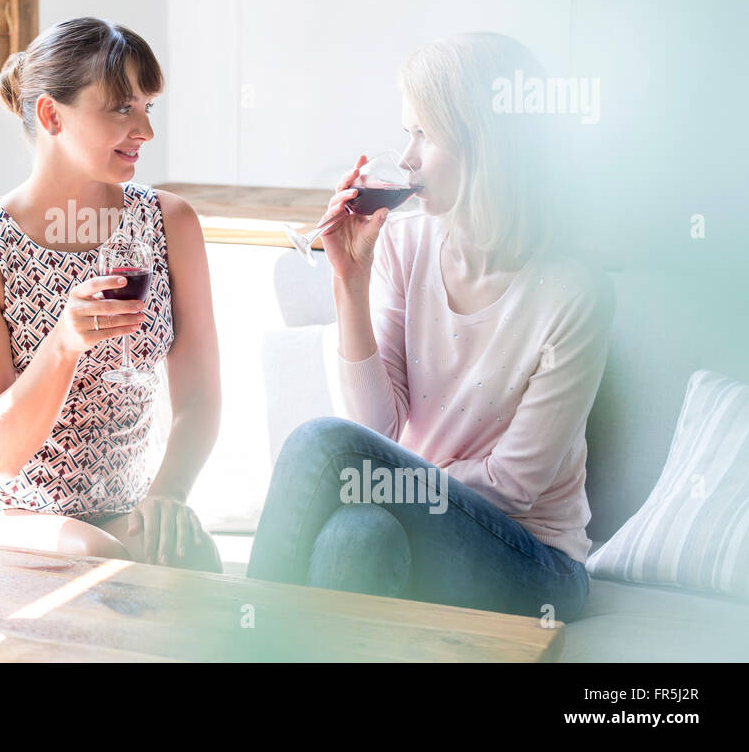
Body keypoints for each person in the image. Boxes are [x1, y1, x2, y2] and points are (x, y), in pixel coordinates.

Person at [247, 32, 615, 622]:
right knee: (358, 538)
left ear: (485, 146)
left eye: (425, 134)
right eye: (406, 134)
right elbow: (380, 427)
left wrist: (385, 476)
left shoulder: (574, 295)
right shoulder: (405, 243)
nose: (408, 158)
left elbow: (511, 486)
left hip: (532, 560)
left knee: (320, 442)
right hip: (412, 517)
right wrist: (349, 279)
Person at [0, 16, 223, 571]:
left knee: (189, 553)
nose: (144, 130)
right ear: (52, 114)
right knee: (94, 556)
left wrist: (167, 494)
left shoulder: (170, 222)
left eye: (148, 107)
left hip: (116, 509)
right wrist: (64, 343)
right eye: (122, 108)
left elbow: (200, 400)